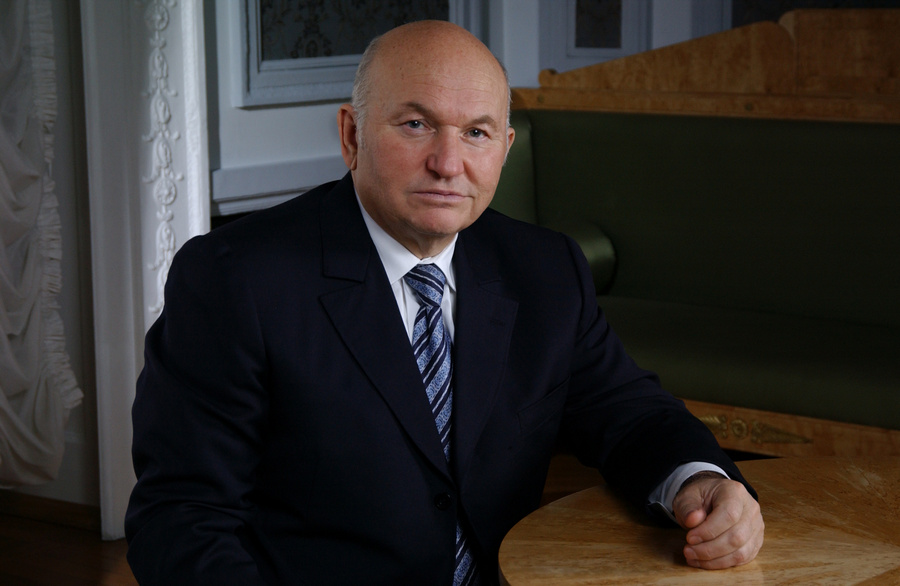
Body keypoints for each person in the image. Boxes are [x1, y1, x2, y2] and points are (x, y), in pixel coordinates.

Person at [125, 20, 763, 585]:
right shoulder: (235, 279)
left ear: (504, 150)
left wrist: (701, 481)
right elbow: (182, 517)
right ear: (351, 135)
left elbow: (629, 414)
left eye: (476, 132)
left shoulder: (545, 270)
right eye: (416, 125)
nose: (448, 163)